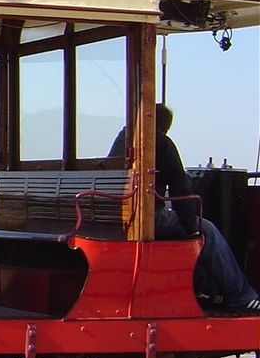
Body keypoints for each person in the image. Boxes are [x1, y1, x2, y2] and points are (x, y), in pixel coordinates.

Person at [109, 104, 259, 313]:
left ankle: (205, 289)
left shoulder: (122, 139)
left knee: (190, 229)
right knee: (205, 230)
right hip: (145, 218)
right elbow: (181, 189)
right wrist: (191, 225)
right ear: (164, 126)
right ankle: (240, 296)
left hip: (117, 216)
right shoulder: (160, 142)